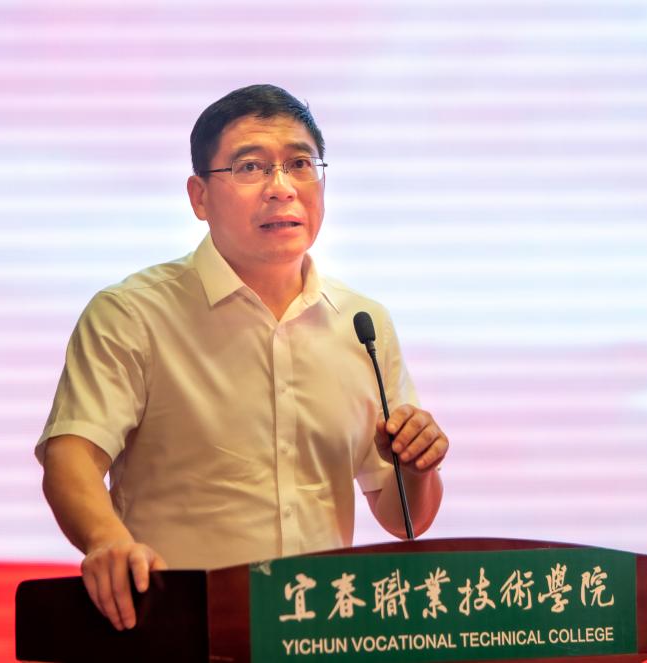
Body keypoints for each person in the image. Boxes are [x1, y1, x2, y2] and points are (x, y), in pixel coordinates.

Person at [36, 84, 449, 631]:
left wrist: (416, 470)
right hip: (180, 631)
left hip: (318, 636)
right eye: (250, 167)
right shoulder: (133, 314)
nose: (282, 188)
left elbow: (402, 518)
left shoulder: (362, 324)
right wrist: (106, 539)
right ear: (199, 197)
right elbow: (71, 456)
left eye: (300, 164)